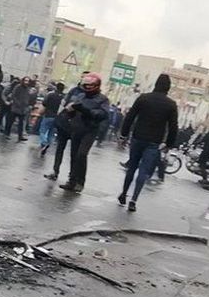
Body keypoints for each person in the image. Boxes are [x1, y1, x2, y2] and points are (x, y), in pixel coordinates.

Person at [117, 74, 178, 211]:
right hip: (154, 142)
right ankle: (133, 200)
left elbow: (130, 116)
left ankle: (123, 194)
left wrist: (124, 134)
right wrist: (169, 144)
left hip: (138, 137)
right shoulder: (171, 104)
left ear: (156, 84)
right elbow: (174, 126)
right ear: (168, 87)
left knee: (132, 167)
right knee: (143, 171)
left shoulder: (143, 98)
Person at [56, 73, 110, 193]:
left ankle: (80, 181)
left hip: (90, 130)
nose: (87, 88)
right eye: (85, 85)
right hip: (76, 128)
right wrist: (70, 111)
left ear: (96, 86)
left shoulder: (102, 99)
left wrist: (86, 110)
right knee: (74, 155)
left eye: (89, 85)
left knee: (81, 154)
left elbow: (102, 114)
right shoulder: (80, 96)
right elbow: (71, 111)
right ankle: (72, 180)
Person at [38, 83, 65, 152]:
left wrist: (41, 112)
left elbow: (44, 104)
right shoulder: (64, 97)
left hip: (48, 115)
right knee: (51, 133)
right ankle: (48, 144)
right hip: (57, 117)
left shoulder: (50, 95)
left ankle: (44, 142)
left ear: (56, 87)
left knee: (42, 131)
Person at [5, 76, 33, 141]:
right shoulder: (18, 87)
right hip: (16, 107)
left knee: (21, 123)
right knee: (10, 121)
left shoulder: (28, 89)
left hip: (23, 109)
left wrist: (27, 104)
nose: (26, 82)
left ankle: (20, 136)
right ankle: (7, 134)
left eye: (28, 81)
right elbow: (13, 95)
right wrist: (17, 103)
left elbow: (28, 97)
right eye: (25, 80)